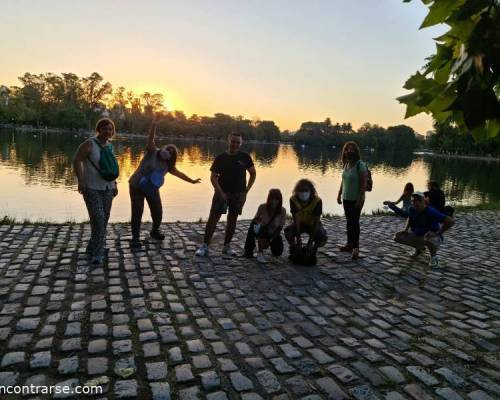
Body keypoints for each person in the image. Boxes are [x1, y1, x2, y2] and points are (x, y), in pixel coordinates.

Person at [128, 119, 201, 250]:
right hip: (136, 186)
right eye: (168, 149)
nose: (168, 152)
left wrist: (192, 181)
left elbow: (181, 174)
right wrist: (154, 125)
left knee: (158, 212)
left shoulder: (168, 166)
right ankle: (135, 239)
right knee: (137, 212)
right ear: (163, 148)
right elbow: (150, 139)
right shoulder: (152, 151)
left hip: (151, 189)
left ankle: (155, 231)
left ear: (171, 157)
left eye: (171, 152)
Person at [195, 132, 256, 257]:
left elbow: (253, 173)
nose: (235, 144)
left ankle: (227, 246)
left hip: (238, 194)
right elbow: (213, 177)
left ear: (241, 143)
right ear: (228, 141)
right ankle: (205, 246)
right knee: (213, 219)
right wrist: (220, 192)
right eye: (233, 141)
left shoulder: (245, 157)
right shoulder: (220, 158)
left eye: (237, 142)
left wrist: (246, 190)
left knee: (232, 220)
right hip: (221, 193)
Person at [73, 118, 119, 265]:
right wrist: (81, 180)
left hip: (108, 188)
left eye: (111, 129)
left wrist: (115, 184)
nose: (108, 132)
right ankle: (98, 253)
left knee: (103, 220)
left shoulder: (110, 147)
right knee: (98, 219)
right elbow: (77, 160)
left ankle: (92, 246)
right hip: (91, 187)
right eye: (105, 128)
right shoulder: (89, 143)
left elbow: (111, 168)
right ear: (98, 129)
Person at [394, 191, 454, 268]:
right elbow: (410, 218)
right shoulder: (411, 209)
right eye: (413, 200)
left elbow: (450, 221)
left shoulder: (431, 211)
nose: (416, 202)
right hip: (419, 234)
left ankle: (434, 258)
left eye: (418, 200)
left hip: (432, 237)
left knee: (427, 238)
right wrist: (405, 229)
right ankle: (419, 249)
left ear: (423, 201)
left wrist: (437, 233)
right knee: (397, 237)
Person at [337, 141, 367, 259]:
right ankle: (349, 245)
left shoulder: (360, 165)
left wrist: (360, 199)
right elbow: (343, 181)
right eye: (347, 149)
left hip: (356, 199)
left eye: (352, 149)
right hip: (346, 198)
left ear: (356, 151)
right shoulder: (346, 164)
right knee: (349, 222)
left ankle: (356, 248)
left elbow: (363, 185)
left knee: (354, 223)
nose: (350, 151)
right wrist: (339, 194)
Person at [284, 179, 327, 260]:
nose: (303, 193)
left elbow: (317, 221)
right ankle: (293, 248)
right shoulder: (293, 200)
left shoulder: (317, 201)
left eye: (306, 190)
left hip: (312, 224)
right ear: (297, 191)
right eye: (301, 190)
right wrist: (299, 240)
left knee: (322, 237)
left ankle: (313, 250)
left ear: (311, 191)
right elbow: (295, 220)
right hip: (299, 223)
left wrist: (310, 242)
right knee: (288, 232)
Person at [244, 189, 286, 264]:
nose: (274, 201)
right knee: (258, 228)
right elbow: (256, 220)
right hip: (261, 230)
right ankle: (259, 252)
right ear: (268, 199)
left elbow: (280, 227)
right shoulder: (262, 207)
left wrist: (270, 240)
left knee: (278, 252)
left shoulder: (282, 211)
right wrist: (259, 223)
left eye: (276, 199)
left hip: (273, 233)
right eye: (272, 199)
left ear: (280, 200)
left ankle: (267, 244)